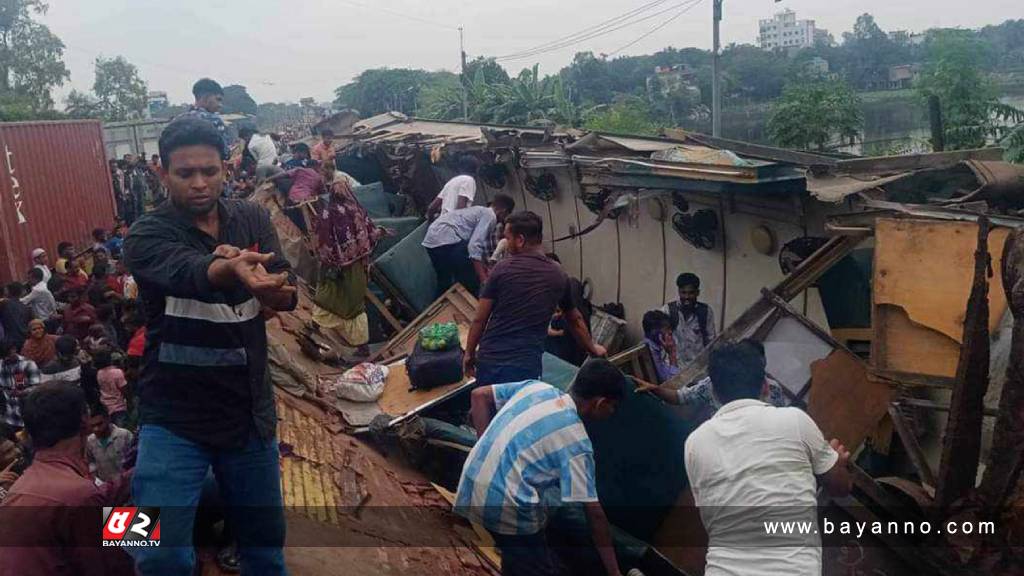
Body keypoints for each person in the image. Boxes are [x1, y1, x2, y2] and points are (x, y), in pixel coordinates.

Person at [123, 117, 296, 576]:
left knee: (265, 550)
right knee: (152, 550)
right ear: (163, 174)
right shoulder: (145, 234)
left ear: (226, 168)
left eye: (210, 171)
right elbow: (188, 272)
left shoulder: (252, 217)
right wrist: (232, 269)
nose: (200, 184)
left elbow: (286, 282)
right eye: (185, 174)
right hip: (171, 419)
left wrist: (278, 292)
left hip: (249, 417)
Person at [683, 342, 852, 576]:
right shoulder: (795, 421)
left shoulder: (695, 443)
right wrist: (837, 465)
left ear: (713, 392)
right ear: (764, 386)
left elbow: (710, 515)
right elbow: (840, 487)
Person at [455, 359, 626, 576]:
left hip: (469, 483)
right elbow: (594, 514)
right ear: (600, 403)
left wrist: (487, 448)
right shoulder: (577, 443)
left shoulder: (537, 387)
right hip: (504, 509)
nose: (612, 413)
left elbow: (479, 395)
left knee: (540, 518)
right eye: (613, 407)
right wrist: (614, 572)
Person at [0, 382, 134, 576]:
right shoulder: (76, 494)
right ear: (85, 421)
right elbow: (106, 563)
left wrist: (137, 475)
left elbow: (90, 516)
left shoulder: (29, 480)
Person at [465, 212, 605, 386]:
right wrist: (593, 349)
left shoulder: (501, 270)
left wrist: (469, 354)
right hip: (527, 365)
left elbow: (480, 319)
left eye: (507, 239)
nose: (506, 245)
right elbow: (575, 319)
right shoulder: (558, 274)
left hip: (492, 361)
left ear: (520, 240)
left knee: (489, 407)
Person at [312, 178, 387, 357]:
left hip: (335, 267)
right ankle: (362, 346)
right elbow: (371, 232)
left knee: (328, 295)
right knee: (355, 303)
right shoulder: (357, 210)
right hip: (357, 266)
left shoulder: (326, 213)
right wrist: (380, 233)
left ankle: (315, 324)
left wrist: (327, 259)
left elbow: (322, 241)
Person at [638, 339, 789, 419]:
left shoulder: (774, 388)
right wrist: (655, 389)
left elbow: (781, 419)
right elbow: (681, 397)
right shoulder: (713, 383)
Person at [423, 195, 515, 297]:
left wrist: (483, 268)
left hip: (432, 241)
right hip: (446, 238)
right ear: (504, 211)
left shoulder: (478, 210)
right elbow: (474, 247)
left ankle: (436, 310)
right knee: (471, 281)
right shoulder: (490, 216)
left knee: (445, 282)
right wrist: (484, 279)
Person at [661, 273, 717, 366]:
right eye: (683, 292)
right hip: (674, 367)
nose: (687, 297)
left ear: (697, 293)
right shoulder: (667, 311)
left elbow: (711, 341)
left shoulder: (706, 312)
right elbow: (660, 340)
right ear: (679, 292)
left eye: (691, 293)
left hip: (698, 368)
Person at [178, 78, 230, 157]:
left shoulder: (178, 120)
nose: (220, 105)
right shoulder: (214, 121)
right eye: (218, 99)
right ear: (206, 98)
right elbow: (225, 152)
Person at [85, 403, 134, 483]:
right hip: (106, 487)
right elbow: (90, 463)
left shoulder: (124, 435)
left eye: (99, 424)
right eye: (92, 426)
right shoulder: (90, 442)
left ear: (108, 419)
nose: (96, 429)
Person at [0, 339, 41, 430]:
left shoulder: (28, 364)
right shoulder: (1, 365)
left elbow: (37, 387)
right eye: (4, 357)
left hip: (28, 413)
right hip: (9, 416)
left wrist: (22, 393)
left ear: (14, 349)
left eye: (8, 355)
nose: (6, 359)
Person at [427, 155, 479, 220]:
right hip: (454, 224)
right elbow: (460, 208)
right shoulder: (469, 180)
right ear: (476, 169)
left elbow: (432, 207)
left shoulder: (452, 181)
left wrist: (431, 220)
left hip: (442, 223)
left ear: (460, 168)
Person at [641, 310, 680, 383]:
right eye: (667, 328)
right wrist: (672, 353)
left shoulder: (652, 347)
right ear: (654, 332)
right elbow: (674, 382)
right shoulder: (649, 352)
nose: (670, 332)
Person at [0, 284, 33, 350]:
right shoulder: (26, 308)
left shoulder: (4, 304)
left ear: (8, 292)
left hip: (9, 343)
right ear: (21, 293)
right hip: (25, 340)